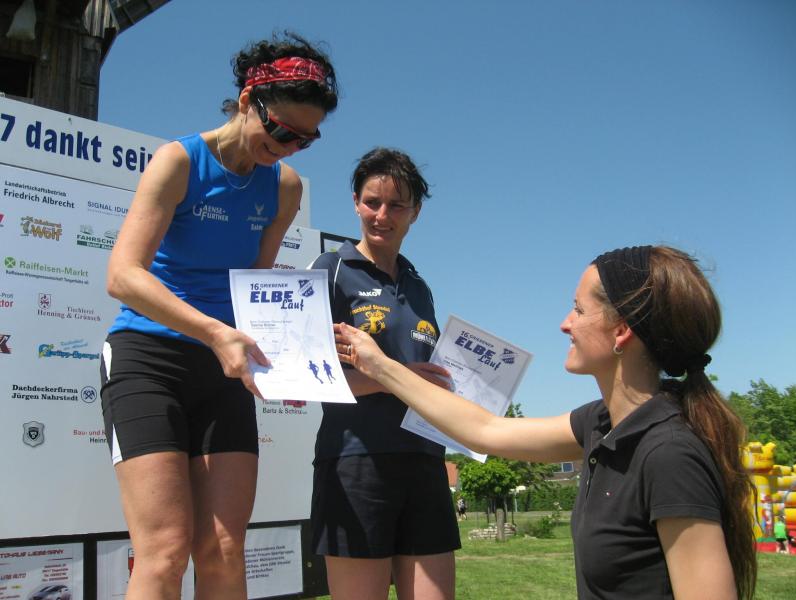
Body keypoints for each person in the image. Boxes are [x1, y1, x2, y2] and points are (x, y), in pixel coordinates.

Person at [335, 246, 757, 600]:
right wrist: (380, 367)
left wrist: (382, 367)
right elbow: (486, 431)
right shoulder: (601, 424)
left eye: (578, 309)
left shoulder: (669, 455)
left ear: (621, 332)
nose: (565, 323)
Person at [100, 33, 338, 600]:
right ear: (248, 99)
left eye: (306, 139)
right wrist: (213, 331)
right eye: (282, 130)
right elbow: (123, 276)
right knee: (164, 552)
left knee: (226, 550)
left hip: (224, 367)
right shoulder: (179, 161)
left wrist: (304, 337)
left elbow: (255, 289)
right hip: (148, 358)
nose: (288, 147)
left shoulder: (284, 187)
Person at [309, 148, 460, 600]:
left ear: (415, 212)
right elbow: (314, 377)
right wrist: (397, 377)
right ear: (356, 202)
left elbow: (431, 376)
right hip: (356, 463)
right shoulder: (330, 271)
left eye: (396, 205)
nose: (382, 215)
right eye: (372, 202)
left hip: (425, 460)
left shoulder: (419, 285)